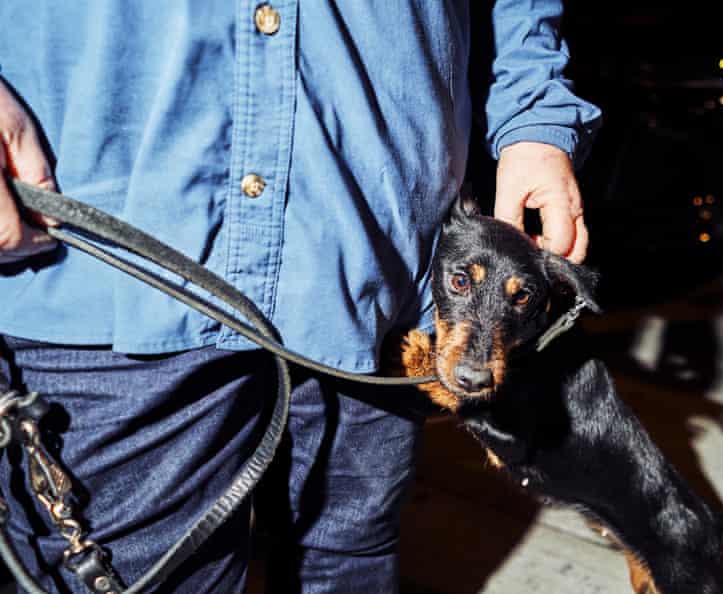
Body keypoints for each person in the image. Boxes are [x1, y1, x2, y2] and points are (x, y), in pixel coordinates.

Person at [0, 1, 600, 592]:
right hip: (107, 256)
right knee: (123, 567)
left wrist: (533, 117)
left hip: (378, 256)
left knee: (348, 558)